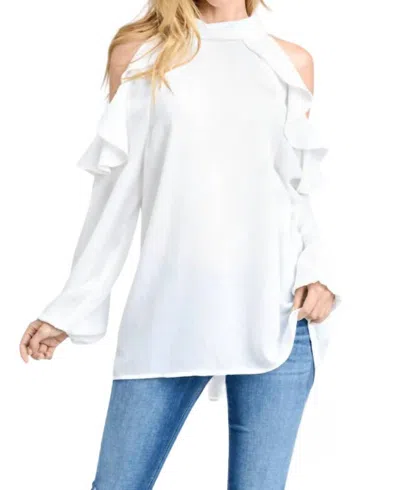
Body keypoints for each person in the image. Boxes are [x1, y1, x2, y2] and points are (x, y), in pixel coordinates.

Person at [19, 1, 340, 488]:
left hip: (278, 313)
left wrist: (318, 273)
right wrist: (71, 307)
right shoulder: (141, 54)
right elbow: (115, 197)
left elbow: (294, 191)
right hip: (171, 315)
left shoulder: (289, 61)